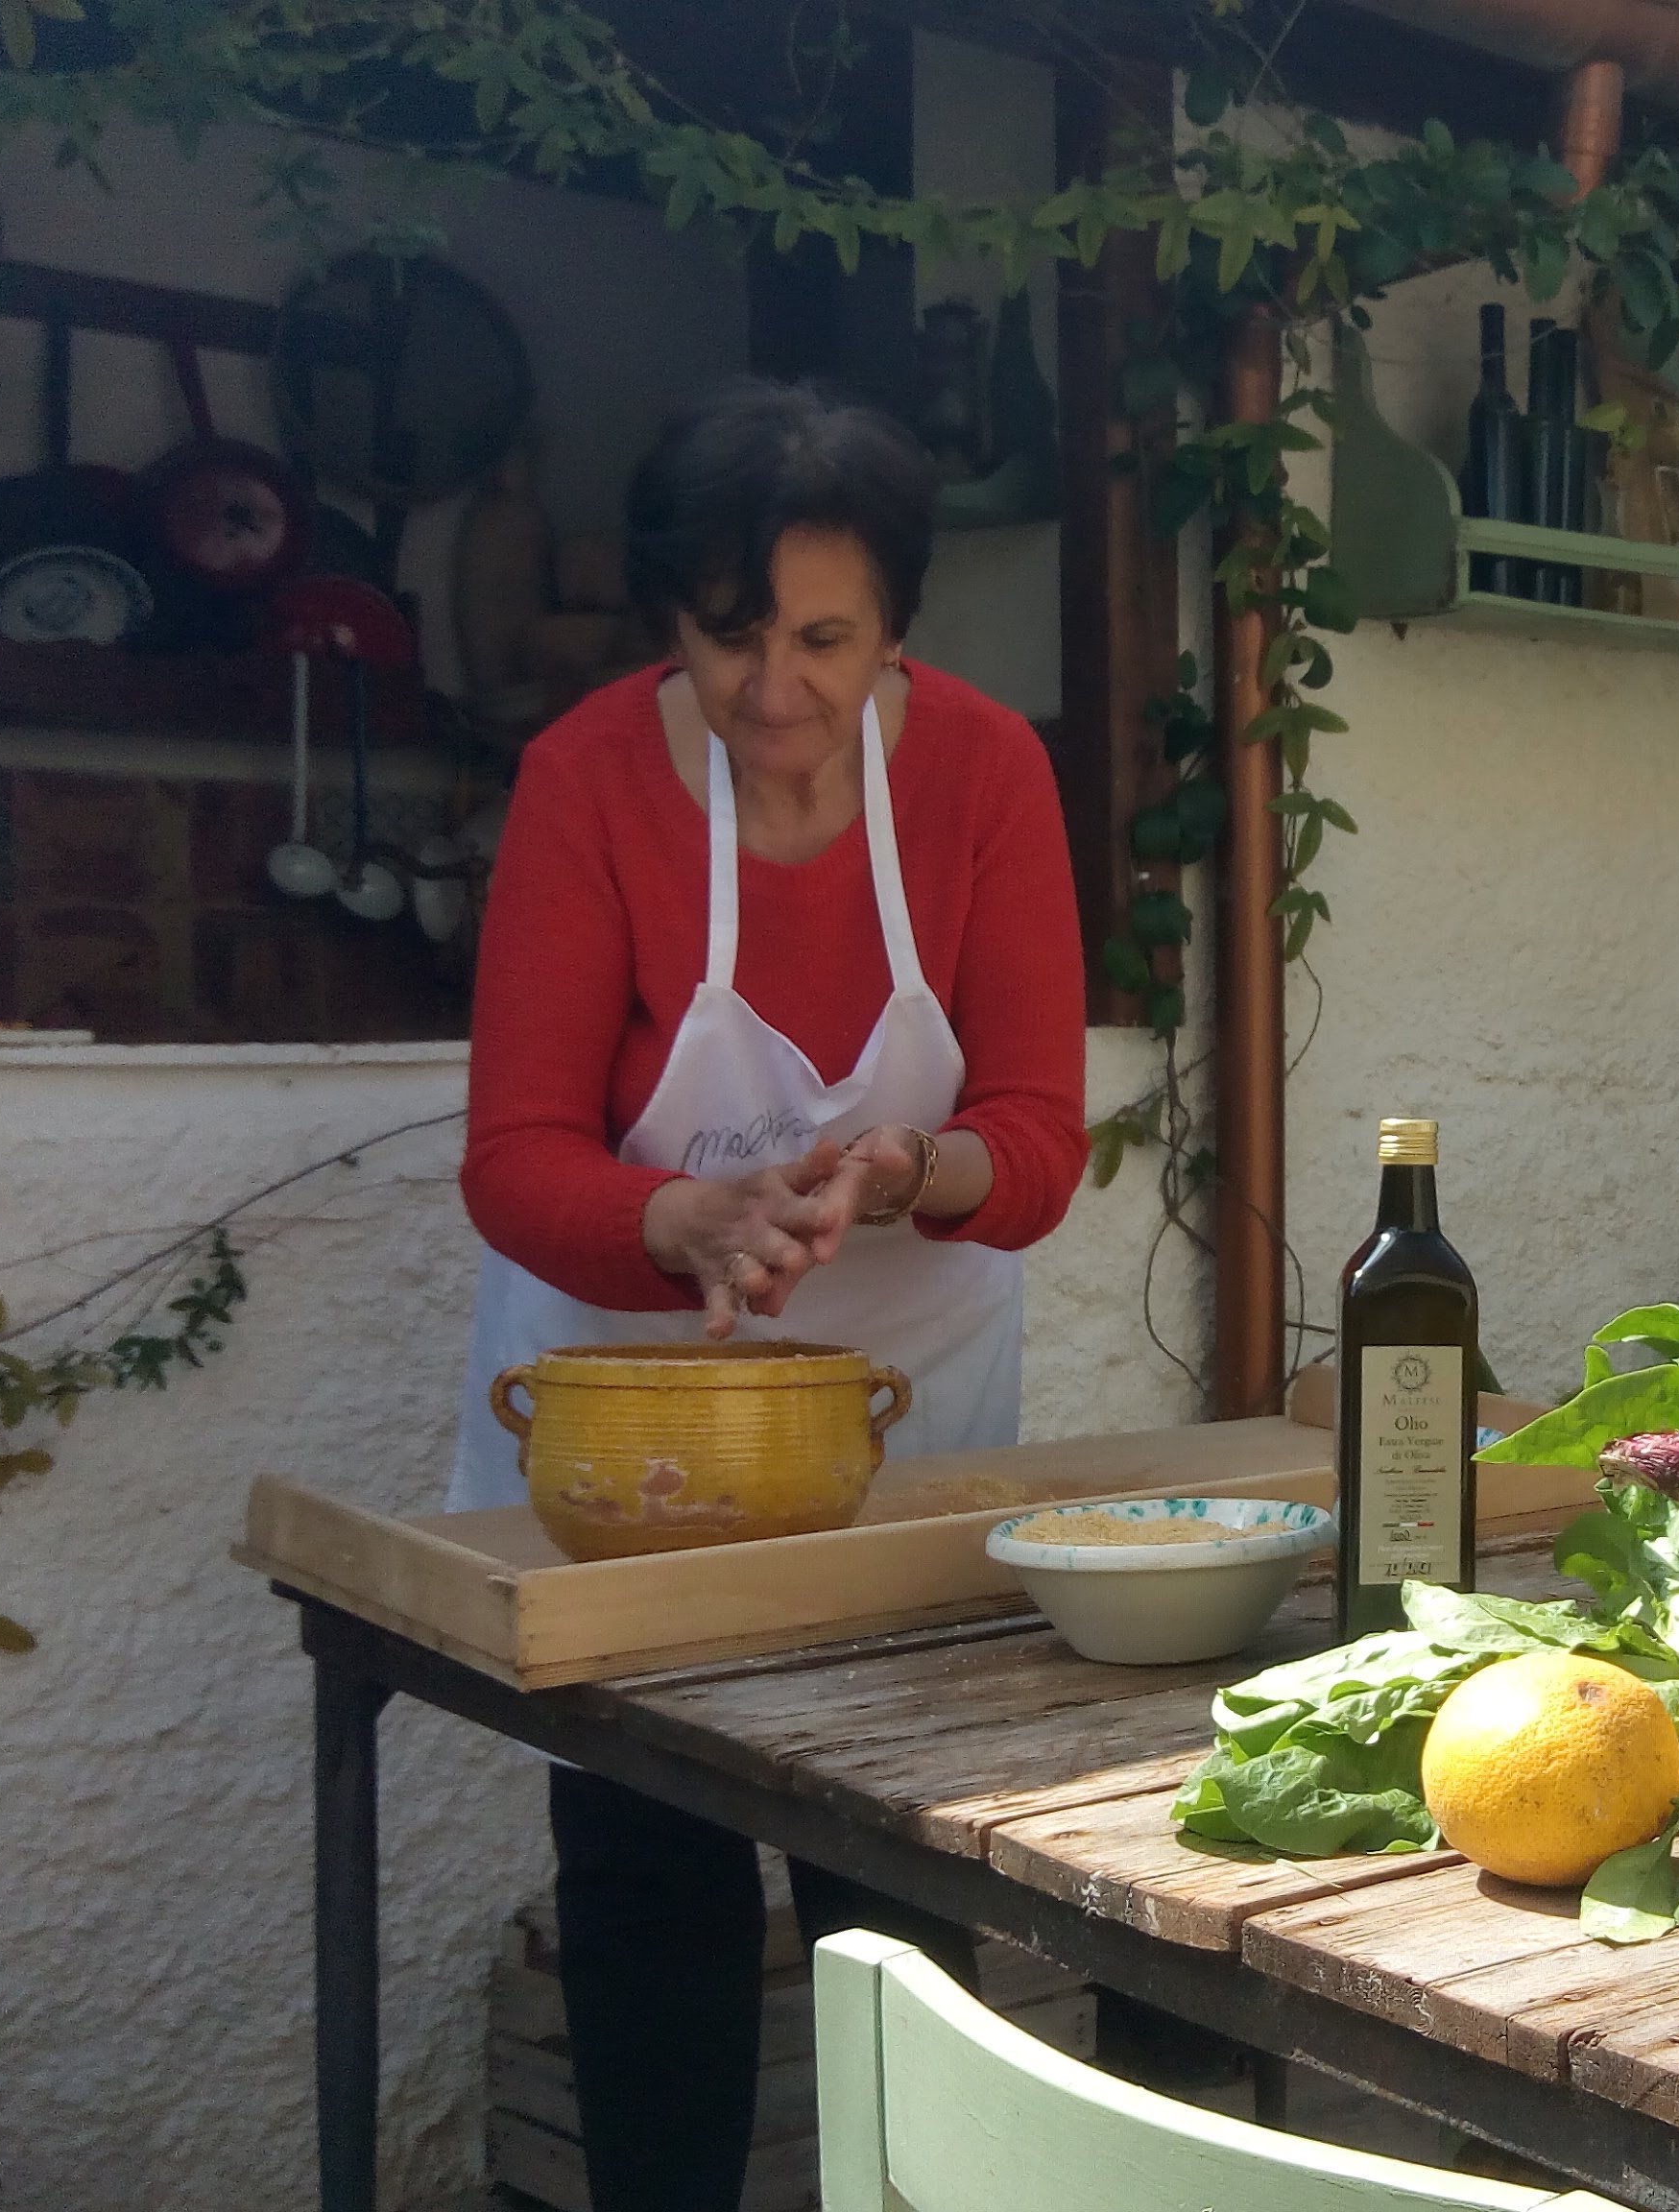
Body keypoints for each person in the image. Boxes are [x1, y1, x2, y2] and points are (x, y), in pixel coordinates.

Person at [454, 378, 1087, 2212]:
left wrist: (905, 1172)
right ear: (672, 614)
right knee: (648, 1873)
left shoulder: (986, 773)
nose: (776, 688)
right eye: (731, 636)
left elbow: (1038, 1140)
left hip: (907, 1409)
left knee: (891, 1864)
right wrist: (684, 1223)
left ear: (896, 629)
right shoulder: (588, 778)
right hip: (633, 1421)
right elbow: (516, 1157)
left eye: (825, 638)